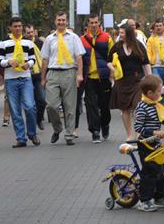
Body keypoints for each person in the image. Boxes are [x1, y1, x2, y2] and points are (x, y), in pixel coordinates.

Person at [133, 75, 164, 212]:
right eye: (158, 91)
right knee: (150, 172)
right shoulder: (142, 107)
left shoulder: (155, 104)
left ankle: (160, 197)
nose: (161, 93)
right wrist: (154, 132)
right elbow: (138, 128)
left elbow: (161, 118)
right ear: (149, 93)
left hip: (157, 143)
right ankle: (144, 200)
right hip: (146, 144)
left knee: (163, 169)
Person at [41, 12, 85, 146]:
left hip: (69, 73)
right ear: (55, 21)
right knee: (51, 105)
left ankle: (69, 134)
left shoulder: (73, 37)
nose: (61, 22)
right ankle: (57, 128)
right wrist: (43, 77)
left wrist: (79, 74)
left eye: (63, 20)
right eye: (58, 20)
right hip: (53, 73)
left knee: (70, 106)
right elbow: (45, 59)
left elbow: (79, 57)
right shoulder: (49, 39)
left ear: (67, 22)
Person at [0, 17, 40, 148]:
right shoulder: (4, 43)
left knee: (30, 106)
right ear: (10, 28)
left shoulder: (28, 42)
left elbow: (33, 58)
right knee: (15, 111)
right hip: (11, 80)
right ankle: (21, 138)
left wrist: (29, 64)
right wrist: (8, 62)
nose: (18, 28)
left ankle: (32, 133)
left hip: (25, 77)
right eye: (15, 26)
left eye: (20, 26)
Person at [108, 24, 151, 141]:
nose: (120, 35)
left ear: (128, 33)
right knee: (125, 109)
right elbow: (108, 61)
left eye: (122, 33)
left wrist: (149, 79)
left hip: (137, 81)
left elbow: (146, 63)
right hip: (121, 82)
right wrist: (114, 69)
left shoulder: (139, 46)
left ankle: (138, 133)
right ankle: (129, 135)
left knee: (137, 107)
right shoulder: (117, 46)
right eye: (119, 33)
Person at [80, 14, 114, 143]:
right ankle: (95, 131)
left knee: (104, 105)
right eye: (91, 23)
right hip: (89, 77)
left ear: (99, 23)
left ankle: (105, 124)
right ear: (88, 24)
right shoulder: (82, 39)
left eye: (96, 22)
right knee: (91, 105)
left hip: (104, 77)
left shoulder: (107, 37)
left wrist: (112, 73)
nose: (94, 25)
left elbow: (112, 56)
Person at [25, 25, 47, 130]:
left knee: (42, 100)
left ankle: (39, 118)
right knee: (30, 103)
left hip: (39, 74)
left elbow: (45, 58)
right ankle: (32, 123)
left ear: (34, 32)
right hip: (27, 75)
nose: (30, 34)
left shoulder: (40, 43)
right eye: (28, 32)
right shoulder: (23, 43)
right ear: (25, 34)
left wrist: (45, 74)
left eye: (31, 32)